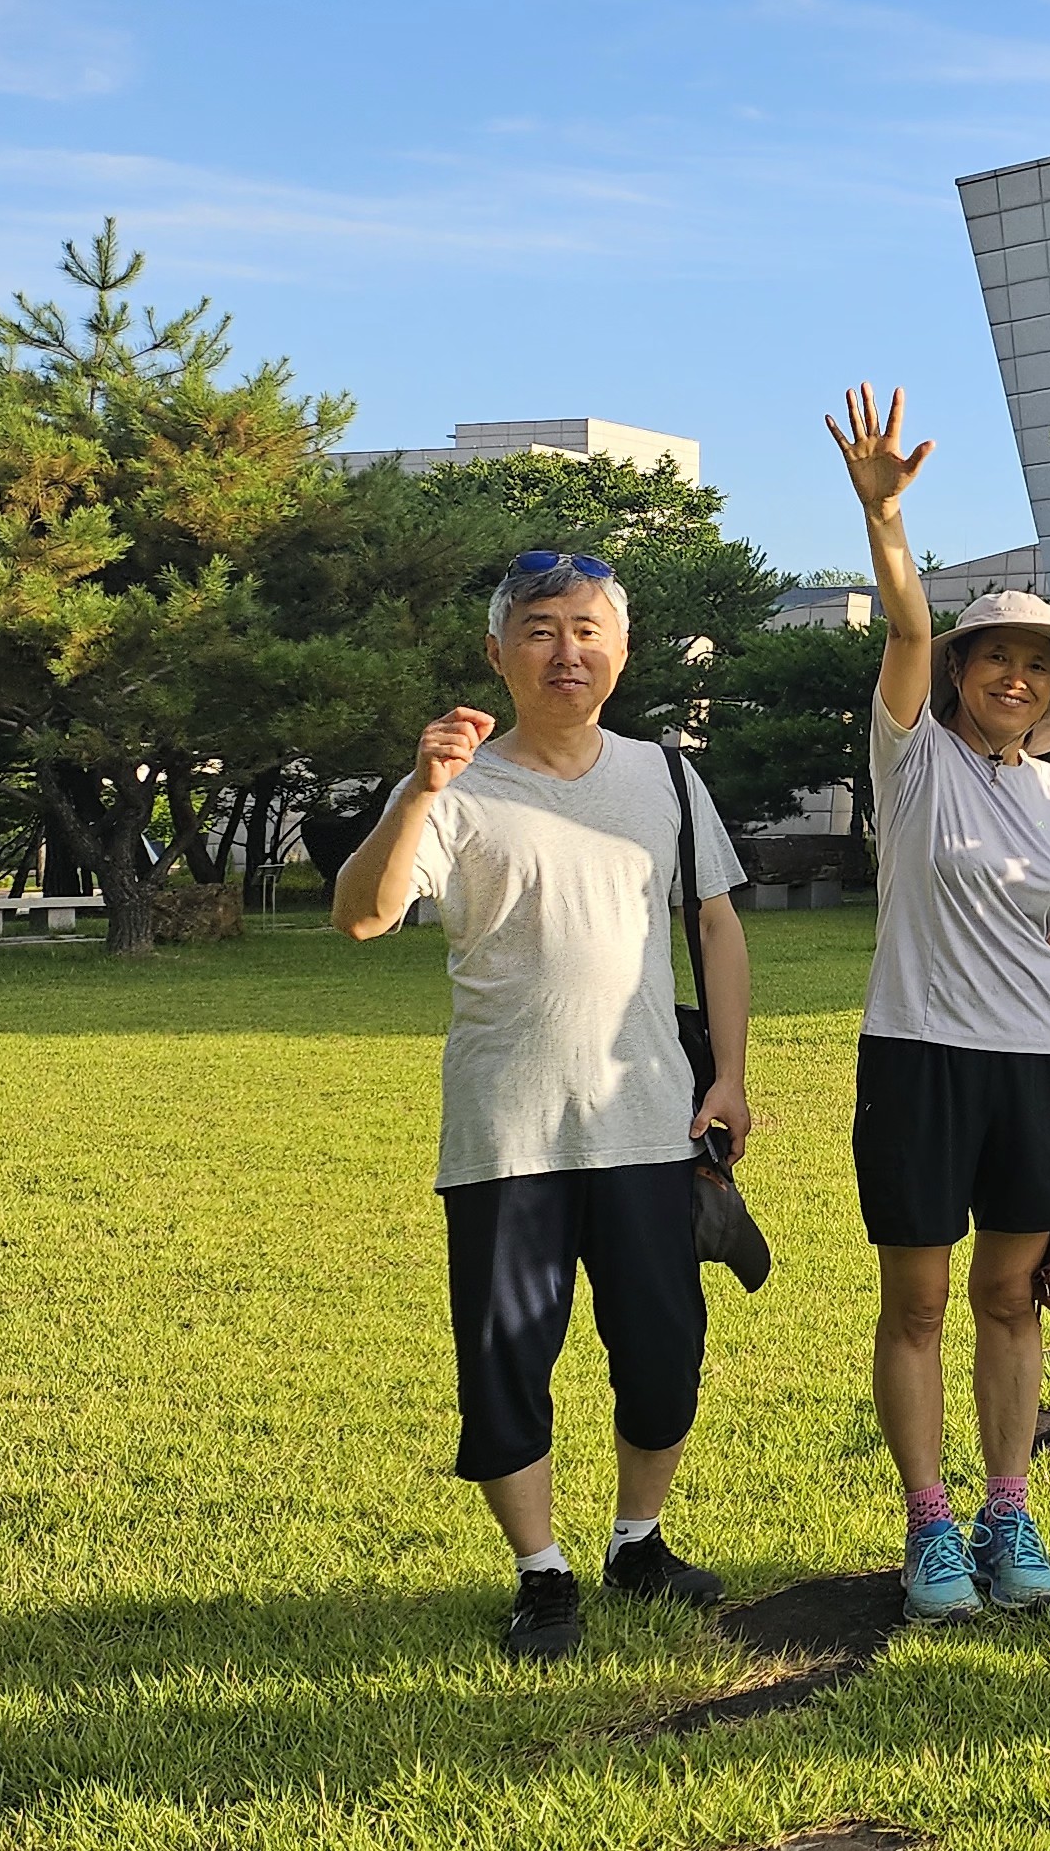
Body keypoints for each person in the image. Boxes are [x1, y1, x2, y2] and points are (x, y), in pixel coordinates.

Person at [332, 552, 752, 1662]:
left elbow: (715, 925)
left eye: (586, 628)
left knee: (663, 1349)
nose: (566, 650)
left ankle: (638, 1541)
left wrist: (729, 1074)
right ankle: (541, 1572)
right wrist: (420, 791)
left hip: (647, 1117)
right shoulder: (454, 784)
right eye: (539, 629)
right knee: (506, 1356)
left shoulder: (666, 777)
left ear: (622, 649)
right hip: (506, 1130)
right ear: (497, 652)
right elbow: (361, 916)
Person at [827, 386, 1050, 1624]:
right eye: (997, 654)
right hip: (919, 1056)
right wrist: (886, 518)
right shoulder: (913, 757)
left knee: (1010, 1295)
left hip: (1033, 1069)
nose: (1016, 673)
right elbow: (903, 623)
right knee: (918, 1301)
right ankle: (929, 1522)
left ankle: (1009, 1506)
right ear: (959, 671)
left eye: (1036, 663)